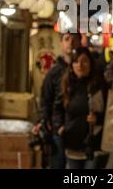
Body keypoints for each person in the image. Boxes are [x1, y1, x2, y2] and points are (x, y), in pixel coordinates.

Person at [32, 32, 81, 169]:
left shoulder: (83, 69)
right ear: (61, 43)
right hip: (58, 127)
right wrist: (43, 121)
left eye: (74, 39)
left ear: (79, 42)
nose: (70, 42)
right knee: (57, 164)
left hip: (78, 128)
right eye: (67, 39)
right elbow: (46, 100)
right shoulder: (54, 72)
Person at [54, 47, 109, 169]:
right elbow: (57, 108)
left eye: (84, 61)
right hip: (72, 144)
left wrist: (98, 119)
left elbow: (111, 112)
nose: (80, 65)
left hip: (96, 145)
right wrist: (59, 126)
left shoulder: (99, 85)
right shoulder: (67, 84)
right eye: (76, 62)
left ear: (90, 63)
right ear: (72, 65)